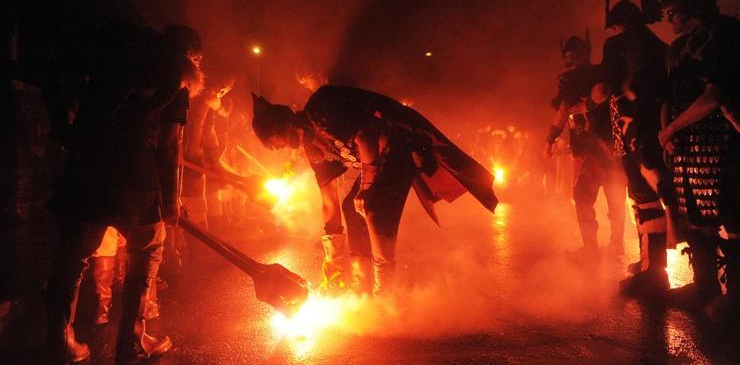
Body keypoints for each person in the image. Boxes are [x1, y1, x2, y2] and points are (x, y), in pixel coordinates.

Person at [252, 85, 497, 296]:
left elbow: (366, 136)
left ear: (285, 124)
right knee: (351, 207)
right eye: (276, 147)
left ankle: (384, 294)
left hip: (400, 147)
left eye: (278, 140)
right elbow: (329, 202)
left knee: (372, 208)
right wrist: (334, 261)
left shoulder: (320, 109)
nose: (281, 147)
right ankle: (361, 286)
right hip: (377, 163)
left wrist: (367, 187)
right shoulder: (313, 149)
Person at [45, 22, 196, 363]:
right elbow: (170, 146)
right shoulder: (173, 77)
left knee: (71, 258)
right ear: (189, 56)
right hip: (136, 180)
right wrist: (171, 200)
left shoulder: (107, 66)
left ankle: (59, 342)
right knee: (145, 255)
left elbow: (51, 71)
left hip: (86, 171)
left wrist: (61, 125)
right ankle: (132, 341)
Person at [583, 0, 677, 298]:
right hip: (658, 128)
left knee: (643, 197)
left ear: (619, 24)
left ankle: (654, 272)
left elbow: (604, 88)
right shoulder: (660, 44)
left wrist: (592, 99)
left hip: (633, 129)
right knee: (650, 195)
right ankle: (650, 262)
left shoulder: (617, 45)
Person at [658, 0, 740, 309]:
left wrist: (673, 128)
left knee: (732, 217)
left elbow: (715, 95)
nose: (670, 20)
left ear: (692, 7)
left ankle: (735, 295)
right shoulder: (681, 48)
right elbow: (672, 96)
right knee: (695, 215)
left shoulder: (726, 36)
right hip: (689, 146)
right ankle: (704, 285)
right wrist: (668, 132)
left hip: (723, 141)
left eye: (673, 11)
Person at [544, 34, 626, 258]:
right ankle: (615, 244)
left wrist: (549, 139)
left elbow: (563, 111)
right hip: (612, 145)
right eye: (568, 55)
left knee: (585, 196)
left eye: (575, 54)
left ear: (585, 53)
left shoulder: (572, 78)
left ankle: (592, 249)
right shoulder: (600, 73)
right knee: (614, 194)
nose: (571, 59)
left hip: (592, 147)